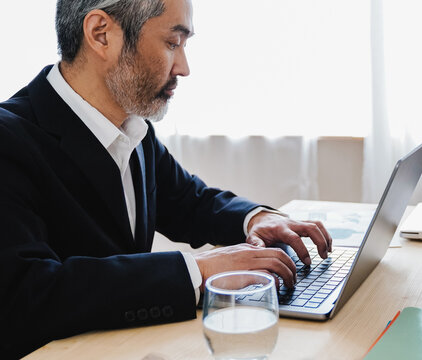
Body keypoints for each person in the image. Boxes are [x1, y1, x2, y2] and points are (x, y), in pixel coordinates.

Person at [0, 0, 332, 358]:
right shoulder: (9, 140)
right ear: (101, 34)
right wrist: (199, 272)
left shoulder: (132, 126)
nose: (184, 67)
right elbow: (27, 294)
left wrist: (255, 218)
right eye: (173, 43)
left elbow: (189, 201)